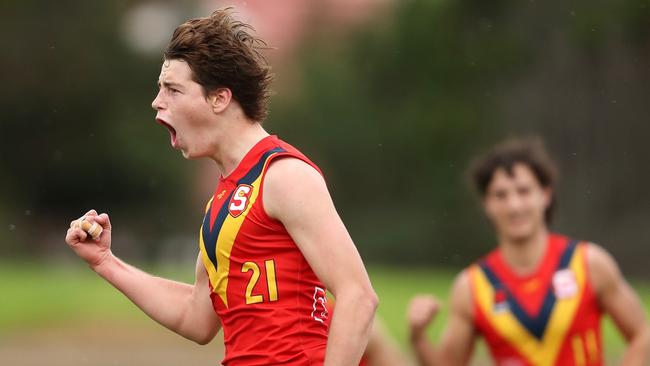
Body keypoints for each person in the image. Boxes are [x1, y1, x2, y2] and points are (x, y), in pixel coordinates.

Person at [65, 8, 377, 366]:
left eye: (172, 89)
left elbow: (358, 297)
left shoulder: (283, 175)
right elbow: (196, 317)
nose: (157, 101)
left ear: (219, 98)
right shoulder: (222, 200)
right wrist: (106, 262)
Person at [407, 138, 650, 366]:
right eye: (500, 195)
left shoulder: (588, 263)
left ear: (545, 195)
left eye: (523, 191)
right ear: (487, 205)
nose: (514, 205)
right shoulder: (471, 287)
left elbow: (643, 334)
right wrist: (418, 336)